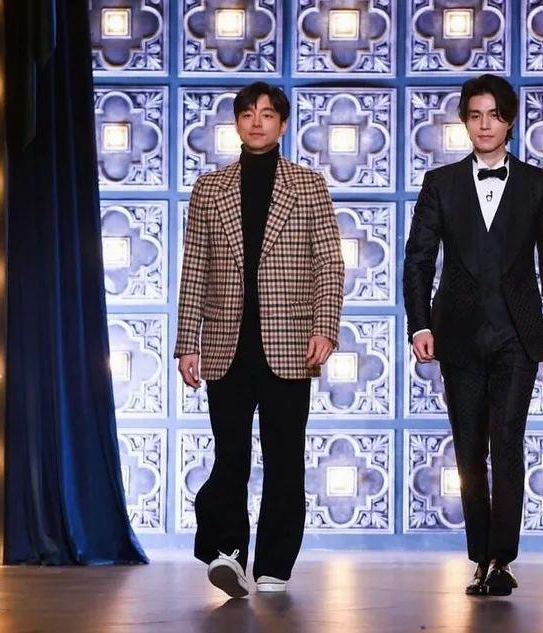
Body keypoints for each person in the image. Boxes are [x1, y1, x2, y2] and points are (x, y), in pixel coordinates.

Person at [403, 73, 543, 597]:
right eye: (475, 115)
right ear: (464, 121)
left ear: (510, 122)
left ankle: (501, 558)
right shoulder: (441, 183)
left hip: (518, 337)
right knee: (469, 450)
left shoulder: (538, 185)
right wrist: (419, 323)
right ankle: (479, 557)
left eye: (494, 115)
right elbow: (418, 259)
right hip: (457, 335)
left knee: (507, 442)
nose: (484, 125)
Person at [174, 81, 344, 598]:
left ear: (283, 124)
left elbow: (329, 263)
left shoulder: (308, 185)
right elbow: (194, 268)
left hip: (290, 341)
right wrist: (187, 342)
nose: (256, 122)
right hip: (225, 342)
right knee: (230, 456)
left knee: (285, 458)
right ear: (236, 123)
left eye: (267, 114)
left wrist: (325, 327)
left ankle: (274, 563)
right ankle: (227, 551)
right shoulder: (210, 188)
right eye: (248, 113)